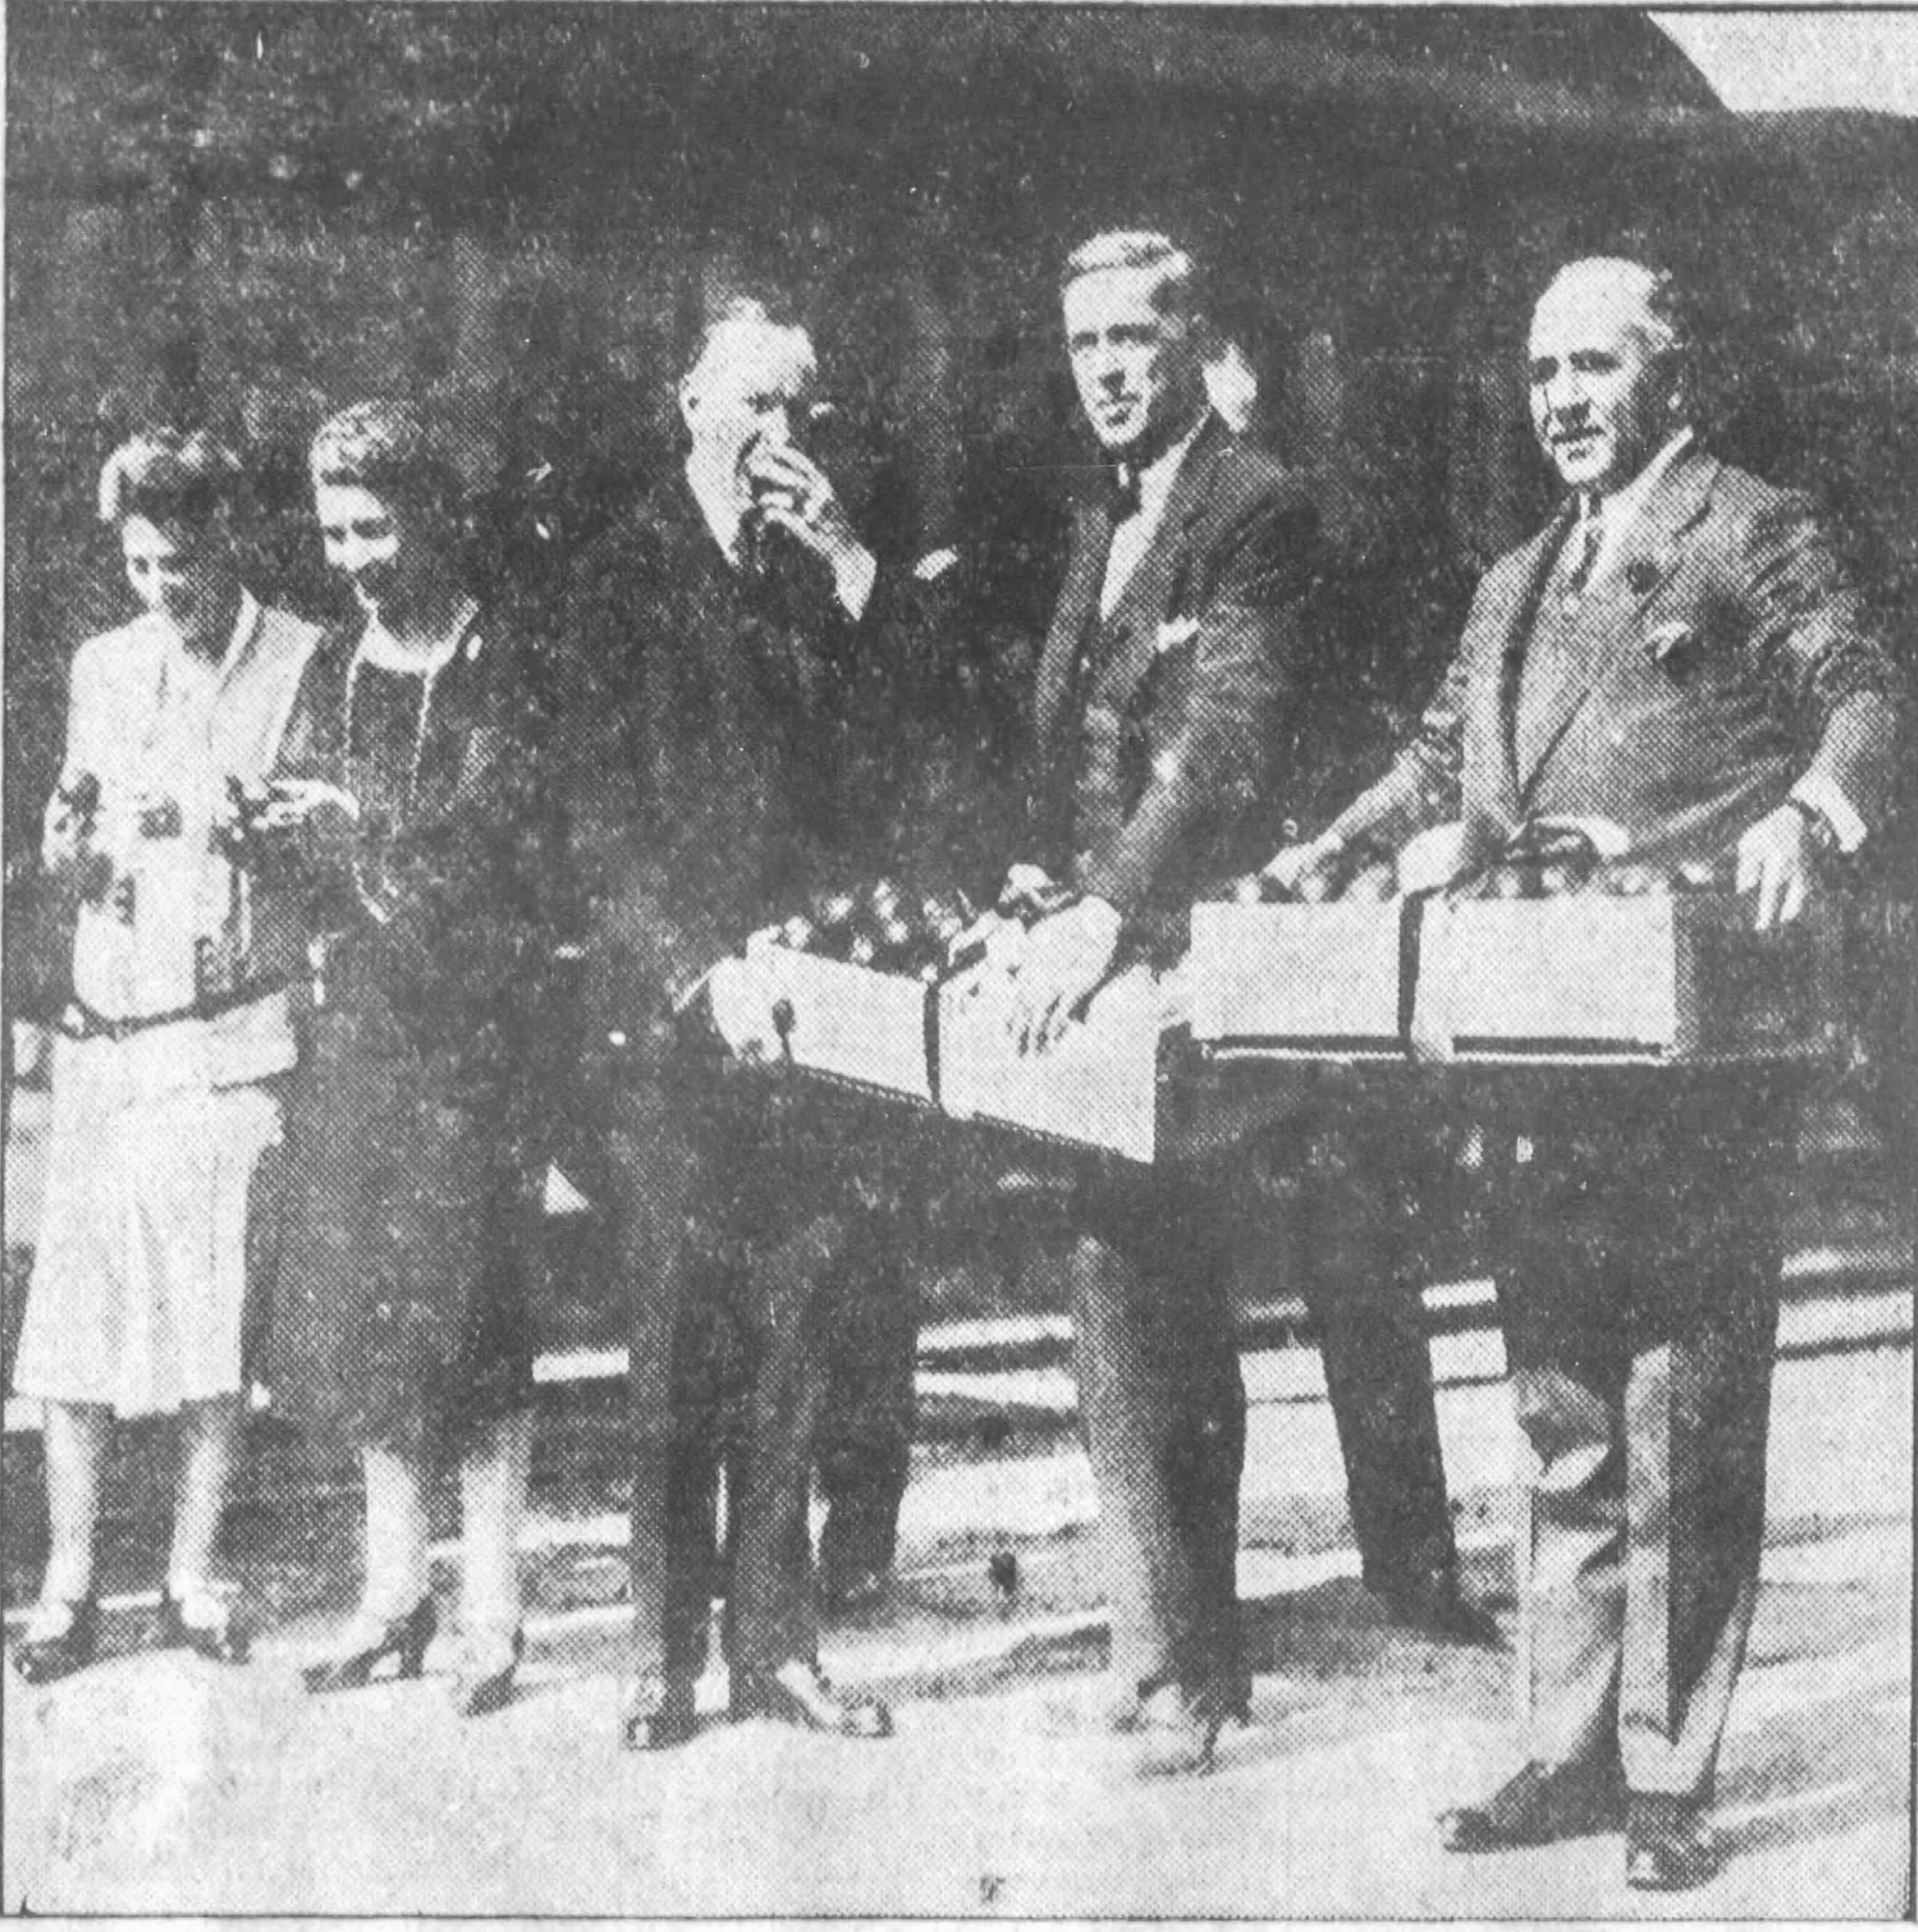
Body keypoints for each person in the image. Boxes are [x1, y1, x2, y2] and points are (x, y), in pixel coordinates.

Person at [1263, 255, 1899, 1888]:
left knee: (1678, 1406)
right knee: (1556, 1404)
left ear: (1664, 379)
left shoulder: (1752, 527)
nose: (1558, 398)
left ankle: (1665, 1770)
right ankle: (1561, 1746)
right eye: (1539, 368)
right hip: (1532, 1040)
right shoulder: (1509, 578)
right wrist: (1325, 855)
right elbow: (1431, 757)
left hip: (1684, 1037)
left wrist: (1806, 816)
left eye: (1592, 367)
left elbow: (1859, 698)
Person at [561, 297, 954, 1748]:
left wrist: (852, 562)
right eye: (753, 407)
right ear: (688, 406)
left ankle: (777, 1647)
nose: (778, 438)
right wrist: (691, 967)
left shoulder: (810, 576)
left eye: (800, 411)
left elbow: (894, 755)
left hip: (805, 1021)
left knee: (797, 1338)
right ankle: (662, 1658)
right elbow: (596, 824)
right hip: (673, 1029)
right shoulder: (613, 580)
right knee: (675, 1342)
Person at [955, 230, 1320, 1774]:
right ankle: (1155, 1642)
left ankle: (1196, 1664)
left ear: (1189, 339)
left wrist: (1105, 909)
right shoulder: (1094, 513)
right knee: (1111, 1282)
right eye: (1081, 341)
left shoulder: (1251, 507)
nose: (1103, 367)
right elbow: (1069, 731)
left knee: (1162, 1288)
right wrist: (1037, 886)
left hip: (1188, 956)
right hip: (1093, 943)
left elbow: (1220, 739)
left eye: (1130, 337)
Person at [9, 428, 325, 1681]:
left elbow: (324, 846)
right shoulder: (102, 662)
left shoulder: (302, 656)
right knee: (72, 1331)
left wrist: (247, 833)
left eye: (181, 563)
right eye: (140, 564)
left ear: (229, 540)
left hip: (229, 1037)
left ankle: (192, 1573)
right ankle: (69, 1582)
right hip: (108, 1038)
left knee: (212, 1328)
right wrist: (67, 852)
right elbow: (74, 850)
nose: (161, 588)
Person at [268, 400, 560, 1718]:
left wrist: (356, 828)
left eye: (377, 526)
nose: (356, 557)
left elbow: (496, 845)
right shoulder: (331, 669)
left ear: (433, 515)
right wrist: (272, 829)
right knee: (380, 1328)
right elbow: (298, 848)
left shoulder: (504, 658)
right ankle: (395, 1595)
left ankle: (494, 1614)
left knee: (479, 1331)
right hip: (362, 1047)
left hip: (475, 1052)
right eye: (335, 532)